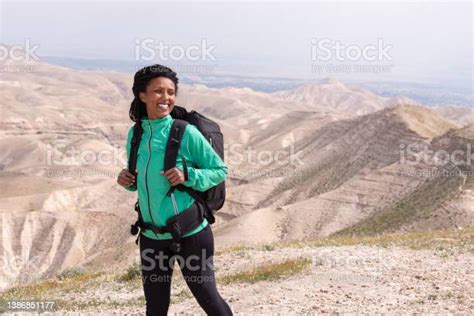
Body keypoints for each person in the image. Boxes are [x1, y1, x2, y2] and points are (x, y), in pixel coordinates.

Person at [117, 64, 233, 315]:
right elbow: (141, 181)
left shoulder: (185, 132)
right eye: (158, 91)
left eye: (171, 92)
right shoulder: (135, 135)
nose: (166, 98)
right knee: (156, 308)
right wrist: (128, 181)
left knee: (209, 301)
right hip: (151, 237)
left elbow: (219, 170)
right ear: (142, 95)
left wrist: (188, 175)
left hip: (190, 234)